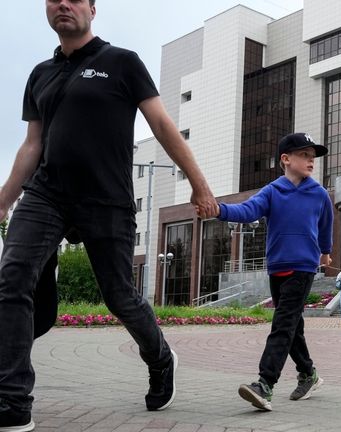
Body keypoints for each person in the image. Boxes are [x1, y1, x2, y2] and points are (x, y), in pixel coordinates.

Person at [0, 0, 219, 429]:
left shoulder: (121, 62)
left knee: (119, 297)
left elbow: (161, 124)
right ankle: (11, 400)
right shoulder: (40, 74)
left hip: (107, 198)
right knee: (12, 277)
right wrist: (5, 199)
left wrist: (199, 183)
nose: (63, 4)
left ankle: (159, 357)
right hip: (46, 194)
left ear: (93, 10)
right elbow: (32, 144)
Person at [212, 132, 333, 412]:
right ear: (286, 159)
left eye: (313, 156)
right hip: (277, 267)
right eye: (304, 155)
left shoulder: (319, 194)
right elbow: (247, 210)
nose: (311, 160)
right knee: (293, 328)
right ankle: (308, 374)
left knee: (282, 324)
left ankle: (264, 384)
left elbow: (326, 225)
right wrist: (219, 209)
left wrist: (325, 252)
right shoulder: (272, 191)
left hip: (303, 268)